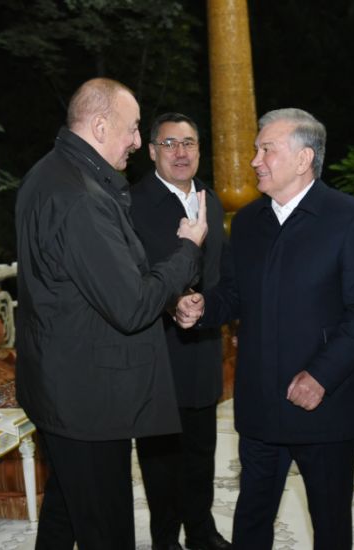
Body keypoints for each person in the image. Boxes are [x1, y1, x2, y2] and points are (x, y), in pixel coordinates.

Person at [179, 108, 354, 549]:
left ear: (303, 158)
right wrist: (202, 307)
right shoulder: (248, 222)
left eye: (266, 150)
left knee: (330, 527)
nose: (254, 160)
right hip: (259, 406)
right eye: (257, 149)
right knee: (251, 523)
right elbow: (234, 294)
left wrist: (321, 376)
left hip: (324, 409)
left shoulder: (350, 217)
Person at [15, 78, 208, 550]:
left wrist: (168, 298)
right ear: (101, 126)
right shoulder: (79, 196)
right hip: (89, 402)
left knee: (66, 515)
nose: (138, 142)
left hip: (64, 389)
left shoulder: (50, 173)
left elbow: (96, 283)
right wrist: (188, 249)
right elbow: (130, 305)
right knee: (106, 530)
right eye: (133, 128)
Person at [130, 113, 231, 550]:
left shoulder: (211, 199)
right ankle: (165, 539)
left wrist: (208, 305)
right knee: (160, 457)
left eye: (188, 143)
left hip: (203, 343)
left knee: (202, 450)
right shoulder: (131, 203)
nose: (181, 152)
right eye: (169, 144)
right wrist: (172, 302)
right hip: (156, 346)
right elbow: (132, 278)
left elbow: (219, 271)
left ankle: (201, 532)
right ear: (152, 151)